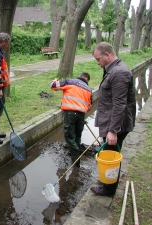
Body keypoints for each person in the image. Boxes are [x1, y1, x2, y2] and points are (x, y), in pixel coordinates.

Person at [90, 42, 136, 196]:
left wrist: (113, 131)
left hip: (116, 124)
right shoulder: (112, 69)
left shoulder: (119, 73)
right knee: (109, 153)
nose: (98, 63)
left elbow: (119, 104)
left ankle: (108, 189)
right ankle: (107, 182)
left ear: (107, 55)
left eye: (98, 59)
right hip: (110, 121)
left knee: (111, 155)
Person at [50, 72, 92, 167]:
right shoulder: (89, 89)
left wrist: (55, 81)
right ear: (87, 80)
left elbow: (53, 86)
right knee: (77, 137)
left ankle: (76, 157)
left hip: (70, 113)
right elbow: (89, 107)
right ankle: (75, 158)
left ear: (80, 76)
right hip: (81, 115)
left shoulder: (70, 81)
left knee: (69, 136)